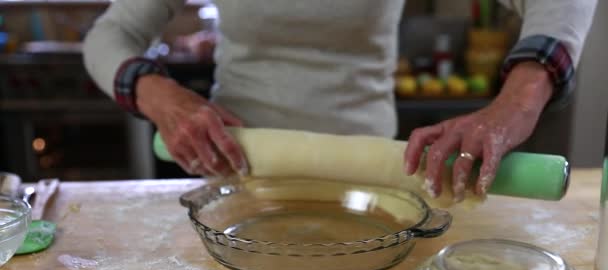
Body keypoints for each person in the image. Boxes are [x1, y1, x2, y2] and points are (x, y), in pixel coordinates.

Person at [83, 0, 596, 202]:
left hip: (377, 179)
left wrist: (517, 103)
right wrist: (161, 94)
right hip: (239, 171)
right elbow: (111, 34)